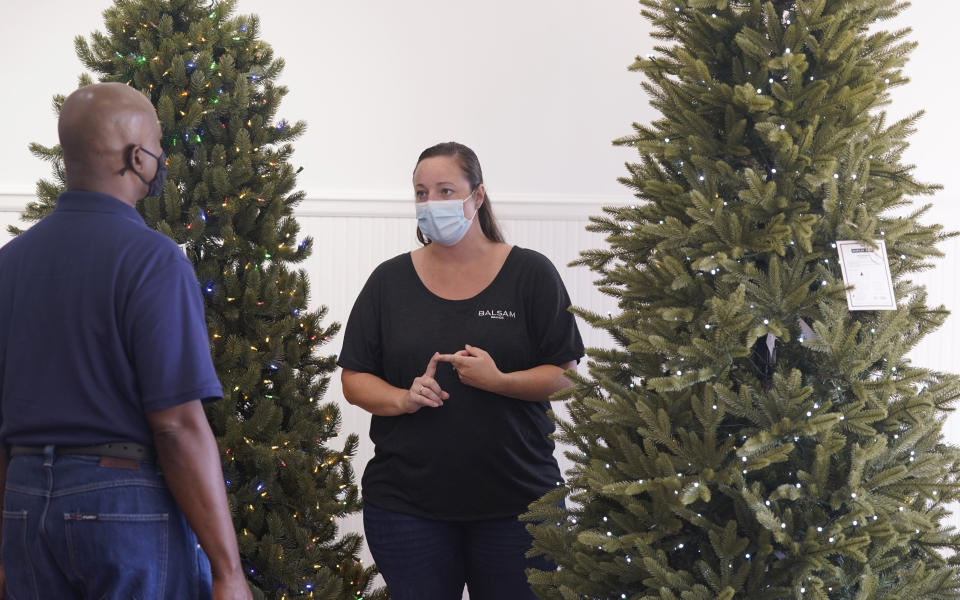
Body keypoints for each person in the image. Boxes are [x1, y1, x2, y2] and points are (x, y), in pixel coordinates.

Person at [0, 83, 250, 600]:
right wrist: (229, 572)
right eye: (157, 145)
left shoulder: (10, 263)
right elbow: (178, 427)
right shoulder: (154, 260)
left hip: (23, 499)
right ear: (137, 156)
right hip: (118, 503)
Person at [338, 141, 584, 599]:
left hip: (519, 504)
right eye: (421, 192)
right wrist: (402, 398)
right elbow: (354, 378)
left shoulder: (530, 273)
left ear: (478, 196)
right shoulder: (388, 282)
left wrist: (500, 382)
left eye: (446, 190)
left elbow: (566, 375)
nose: (431, 203)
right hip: (407, 507)